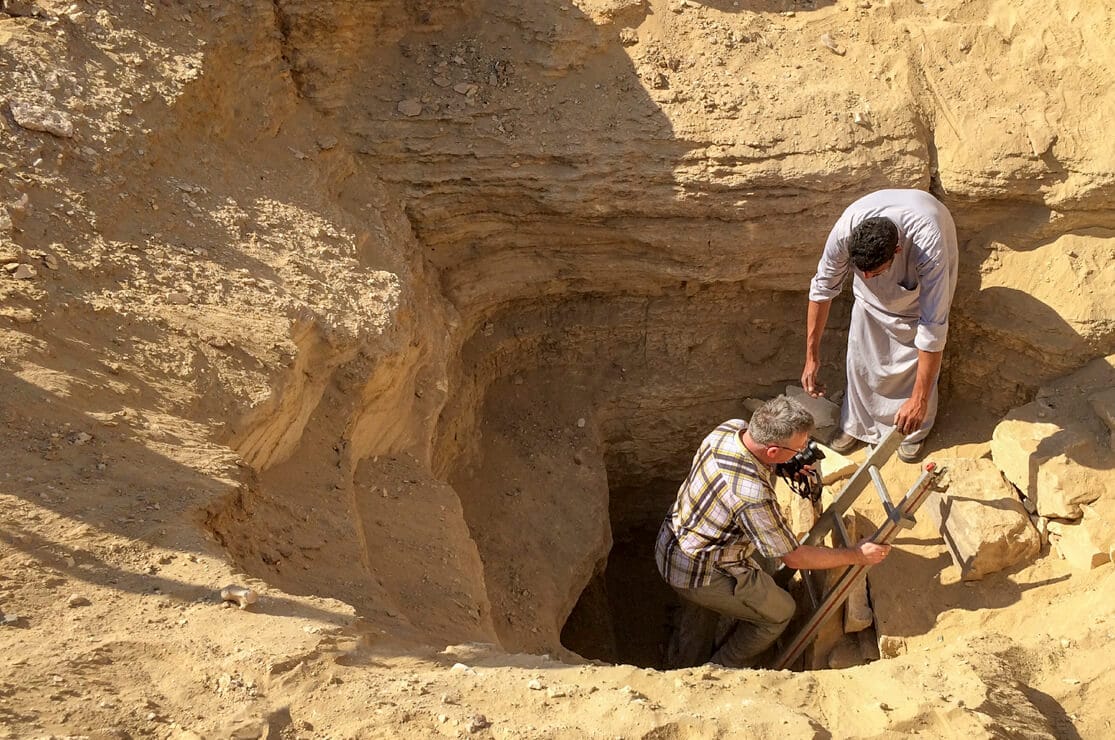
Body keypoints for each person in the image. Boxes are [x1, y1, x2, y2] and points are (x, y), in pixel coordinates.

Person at [654, 395, 890, 668]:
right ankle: (718, 669)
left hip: (673, 543)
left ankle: (688, 652)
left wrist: (782, 464)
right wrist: (856, 554)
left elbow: (760, 464)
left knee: (702, 614)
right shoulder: (752, 495)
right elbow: (794, 557)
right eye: (798, 448)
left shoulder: (728, 430)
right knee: (781, 612)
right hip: (699, 572)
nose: (803, 452)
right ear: (773, 451)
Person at [801, 189, 959, 462]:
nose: (866, 277)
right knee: (862, 353)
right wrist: (811, 357)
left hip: (914, 301)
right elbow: (822, 288)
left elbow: (933, 328)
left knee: (912, 358)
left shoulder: (929, 246)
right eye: (861, 271)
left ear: (897, 251)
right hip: (870, 304)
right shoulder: (845, 232)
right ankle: (856, 425)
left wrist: (918, 400)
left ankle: (913, 430)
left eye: (874, 272)